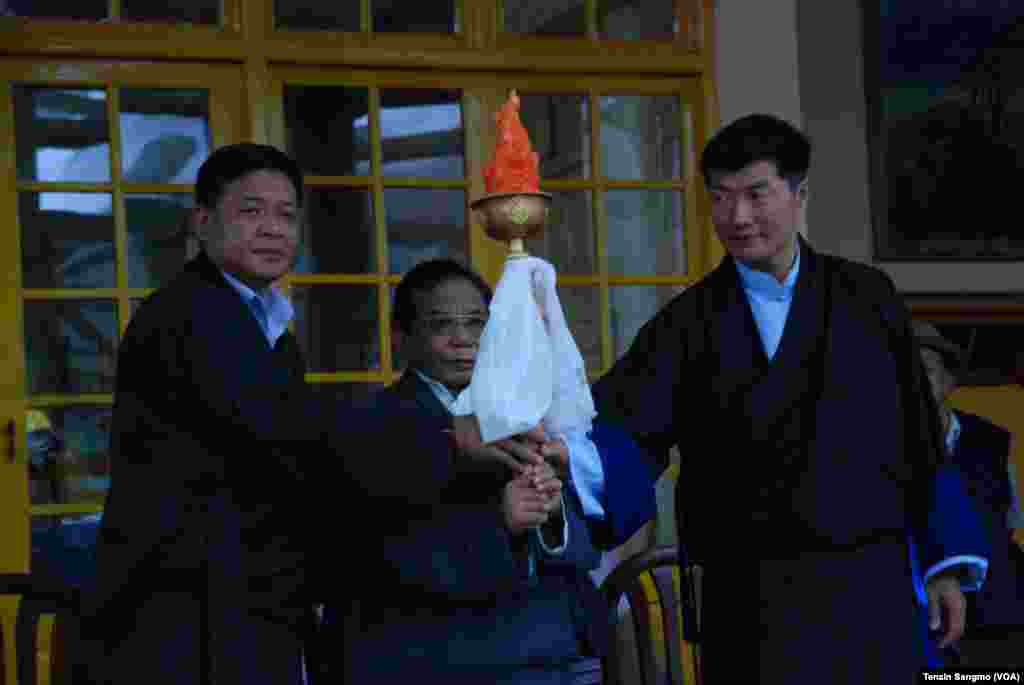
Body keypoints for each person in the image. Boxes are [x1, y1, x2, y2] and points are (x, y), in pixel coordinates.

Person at [86, 144, 544, 685]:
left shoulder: (264, 320)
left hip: (240, 601)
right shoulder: (190, 315)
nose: (273, 230)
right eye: (251, 212)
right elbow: (284, 435)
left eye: (286, 214)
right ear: (203, 222)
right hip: (185, 611)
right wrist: (447, 441)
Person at [589, 113, 987, 683]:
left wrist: (943, 563)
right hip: (750, 595)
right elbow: (626, 428)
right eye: (720, 198)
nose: (738, 217)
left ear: (799, 193)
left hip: (868, 581)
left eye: (756, 194)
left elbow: (918, 437)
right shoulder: (687, 323)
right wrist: (567, 472)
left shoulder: (867, 298)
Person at [334, 258, 608, 685]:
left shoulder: (524, 412)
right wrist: (501, 521)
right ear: (401, 336)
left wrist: (551, 514)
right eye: (442, 325)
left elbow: (585, 550)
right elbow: (383, 556)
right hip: (451, 656)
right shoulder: (373, 423)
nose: (463, 340)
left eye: (477, 323)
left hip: (558, 649)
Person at [914, 319, 1024, 667]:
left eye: (927, 369)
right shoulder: (874, 441)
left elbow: (1009, 518)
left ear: (949, 381)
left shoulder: (991, 439)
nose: (915, 379)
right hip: (919, 617)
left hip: (995, 617)